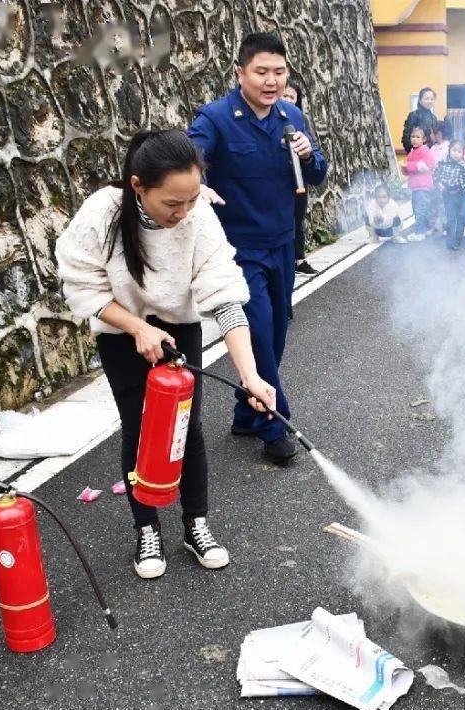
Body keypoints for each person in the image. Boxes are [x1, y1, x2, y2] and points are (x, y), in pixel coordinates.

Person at [56, 130, 279, 579]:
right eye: (172, 203)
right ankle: (146, 529)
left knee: (186, 427)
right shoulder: (103, 214)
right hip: (121, 330)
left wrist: (251, 376)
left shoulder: (198, 219)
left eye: (192, 199)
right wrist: (137, 326)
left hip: (179, 326)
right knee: (139, 430)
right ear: (138, 186)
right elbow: (82, 286)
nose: (184, 213)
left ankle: (195, 524)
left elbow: (227, 300)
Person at [187, 32, 327, 465]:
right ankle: (275, 426)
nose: (271, 81)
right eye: (261, 72)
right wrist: (200, 186)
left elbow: (319, 173)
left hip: (283, 244)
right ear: (241, 73)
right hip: (238, 252)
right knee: (260, 335)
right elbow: (188, 157)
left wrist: (308, 156)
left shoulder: (291, 116)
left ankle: (245, 414)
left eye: (279, 72)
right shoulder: (216, 118)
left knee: (278, 334)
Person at [281, 79, 317, 276]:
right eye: (284, 95)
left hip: (298, 179)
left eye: (291, 97)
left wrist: (308, 155)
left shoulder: (300, 120)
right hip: (278, 181)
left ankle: (299, 259)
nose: (287, 99)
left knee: (297, 218)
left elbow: (315, 154)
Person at [434, 140, 465, 249]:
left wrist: (461, 187)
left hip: (461, 194)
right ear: (449, 150)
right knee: (451, 218)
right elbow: (435, 176)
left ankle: (458, 239)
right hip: (447, 194)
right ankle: (451, 241)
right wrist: (440, 185)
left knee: (461, 216)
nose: (456, 153)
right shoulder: (442, 163)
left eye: (459, 152)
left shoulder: (464, 166)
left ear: (462, 154)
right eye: (454, 150)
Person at [400, 126, 436, 242]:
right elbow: (410, 170)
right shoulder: (412, 152)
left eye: (417, 137)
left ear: (424, 139)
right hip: (415, 186)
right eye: (412, 136)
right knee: (417, 209)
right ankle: (425, 229)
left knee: (421, 209)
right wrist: (404, 168)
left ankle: (420, 232)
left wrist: (408, 166)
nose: (414, 139)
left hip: (423, 186)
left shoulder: (425, 150)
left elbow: (425, 166)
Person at [401, 87, 438, 153]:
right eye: (426, 99)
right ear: (420, 101)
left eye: (432, 99)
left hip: (430, 153)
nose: (429, 101)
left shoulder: (434, 117)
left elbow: (434, 136)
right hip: (417, 152)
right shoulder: (414, 115)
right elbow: (406, 136)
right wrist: (411, 152)